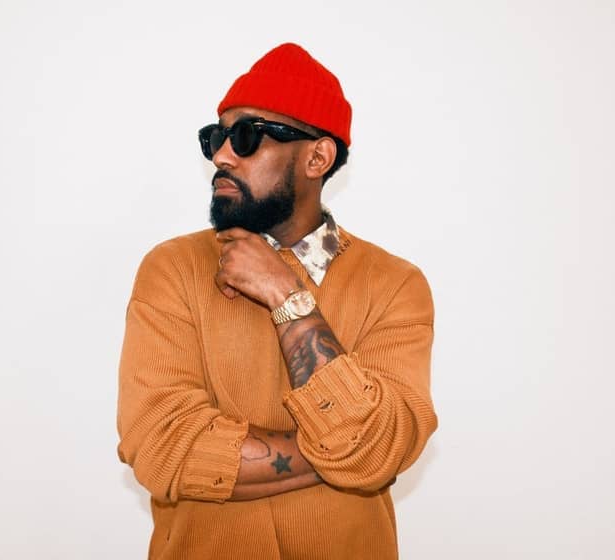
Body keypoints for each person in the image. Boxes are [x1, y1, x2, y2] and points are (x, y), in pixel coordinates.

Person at [117, 42, 437, 560]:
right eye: (216, 137)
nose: (222, 156)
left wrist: (286, 295)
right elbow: (161, 448)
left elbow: (384, 445)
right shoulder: (173, 269)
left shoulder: (396, 285)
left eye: (246, 136)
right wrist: (347, 452)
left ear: (317, 157)